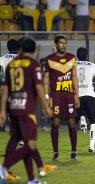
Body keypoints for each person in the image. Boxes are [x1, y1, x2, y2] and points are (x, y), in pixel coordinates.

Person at [0, 37, 53, 184]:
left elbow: (4, 90)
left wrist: (3, 110)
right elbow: (39, 87)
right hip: (27, 109)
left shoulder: (12, 65)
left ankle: (31, 179)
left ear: (21, 49)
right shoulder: (33, 64)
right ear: (34, 50)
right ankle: (4, 167)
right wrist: (46, 107)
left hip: (14, 107)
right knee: (30, 145)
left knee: (18, 139)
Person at [43, 35, 80, 160]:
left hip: (69, 94)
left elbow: (74, 77)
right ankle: (56, 153)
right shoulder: (49, 59)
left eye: (65, 43)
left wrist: (77, 96)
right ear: (55, 44)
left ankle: (74, 152)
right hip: (56, 94)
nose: (64, 45)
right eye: (61, 43)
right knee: (56, 121)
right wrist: (47, 97)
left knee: (72, 121)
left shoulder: (71, 58)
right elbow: (46, 80)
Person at [76, 47, 95, 153]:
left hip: (77, 95)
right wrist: (92, 86)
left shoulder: (73, 65)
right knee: (93, 122)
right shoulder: (92, 65)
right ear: (87, 56)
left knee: (74, 120)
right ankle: (91, 146)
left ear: (77, 56)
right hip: (89, 95)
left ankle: (82, 117)